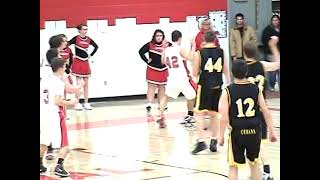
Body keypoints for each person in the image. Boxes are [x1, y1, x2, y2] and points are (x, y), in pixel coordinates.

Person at [218, 59, 277, 180]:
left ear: (233, 73)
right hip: (254, 132)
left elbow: (224, 116)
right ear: (246, 72)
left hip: (237, 132)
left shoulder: (227, 91)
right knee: (254, 164)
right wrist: (272, 131)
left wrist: (220, 136)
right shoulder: (256, 89)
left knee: (233, 166)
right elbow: (266, 111)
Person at [243, 42, 279, 180]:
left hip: (249, 111)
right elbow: (277, 64)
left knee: (251, 144)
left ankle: (258, 172)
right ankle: (266, 171)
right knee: (261, 142)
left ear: (244, 53)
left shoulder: (243, 69)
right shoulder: (262, 65)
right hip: (262, 109)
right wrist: (274, 47)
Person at [40, 57, 81, 177]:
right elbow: (57, 101)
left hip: (42, 112)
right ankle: (59, 166)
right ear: (61, 68)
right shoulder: (58, 82)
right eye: (65, 66)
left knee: (44, 140)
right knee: (65, 144)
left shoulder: (44, 81)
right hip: (54, 114)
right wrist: (72, 103)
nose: (66, 68)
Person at [191, 31, 230, 154]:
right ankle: (214, 140)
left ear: (204, 39)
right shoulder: (221, 52)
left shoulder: (199, 53)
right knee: (214, 114)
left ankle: (201, 141)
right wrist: (228, 85)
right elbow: (226, 71)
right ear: (214, 40)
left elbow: (195, 73)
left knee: (198, 113)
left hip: (205, 86)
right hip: (218, 85)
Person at [157, 30, 196, 128]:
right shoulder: (180, 49)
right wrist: (193, 46)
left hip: (171, 78)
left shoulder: (166, 50)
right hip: (182, 78)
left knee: (166, 97)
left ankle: (160, 115)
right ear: (180, 38)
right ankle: (190, 116)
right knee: (192, 96)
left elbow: (162, 62)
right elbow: (191, 57)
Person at [138, 29, 171, 116]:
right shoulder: (150, 44)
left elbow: (174, 51)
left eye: (160, 36)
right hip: (152, 69)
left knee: (162, 87)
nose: (159, 37)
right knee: (151, 87)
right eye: (157, 36)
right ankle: (149, 103)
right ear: (154, 37)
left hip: (163, 69)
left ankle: (161, 104)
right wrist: (147, 60)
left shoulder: (167, 44)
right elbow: (140, 52)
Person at [69, 23, 99, 110]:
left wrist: (90, 55)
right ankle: (77, 103)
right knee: (78, 84)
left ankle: (86, 102)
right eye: (84, 29)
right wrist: (71, 55)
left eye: (86, 29)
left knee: (86, 84)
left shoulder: (89, 39)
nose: (85, 31)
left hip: (85, 62)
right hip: (78, 61)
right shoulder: (76, 38)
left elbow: (96, 47)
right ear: (79, 30)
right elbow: (67, 45)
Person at [262, 15, 280, 91]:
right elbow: (264, 40)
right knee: (272, 71)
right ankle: (271, 87)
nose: (275, 22)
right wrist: (271, 43)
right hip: (271, 53)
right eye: (274, 20)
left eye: (276, 20)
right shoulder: (268, 30)